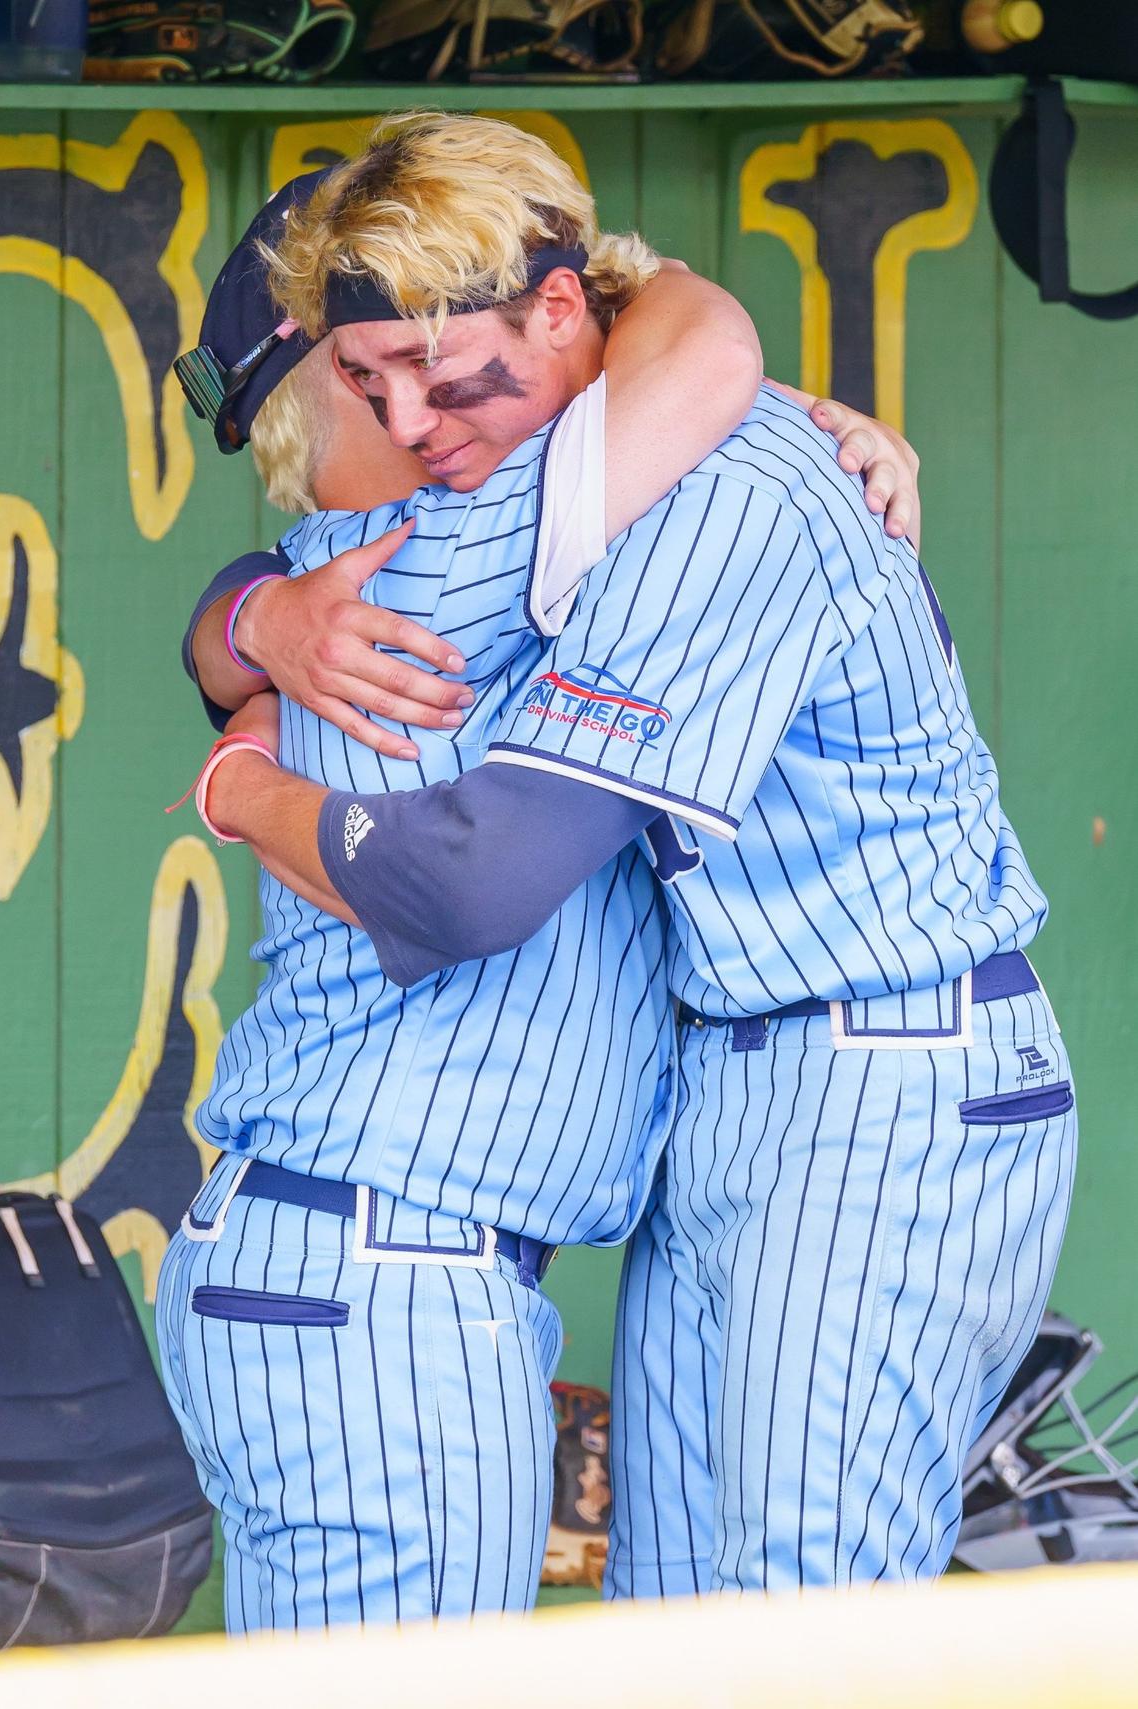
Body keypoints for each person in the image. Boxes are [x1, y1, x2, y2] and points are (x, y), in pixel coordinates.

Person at [197, 109, 1076, 1597]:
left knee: (800, 1612)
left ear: (559, 311)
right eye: (370, 379)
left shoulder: (717, 481)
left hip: (885, 1060)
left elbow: (472, 875)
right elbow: (313, 578)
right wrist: (249, 623)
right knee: (668, 1621)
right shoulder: (553, 474)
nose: (412, 427)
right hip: (722, 1080)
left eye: (436, 371)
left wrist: (240, 785)